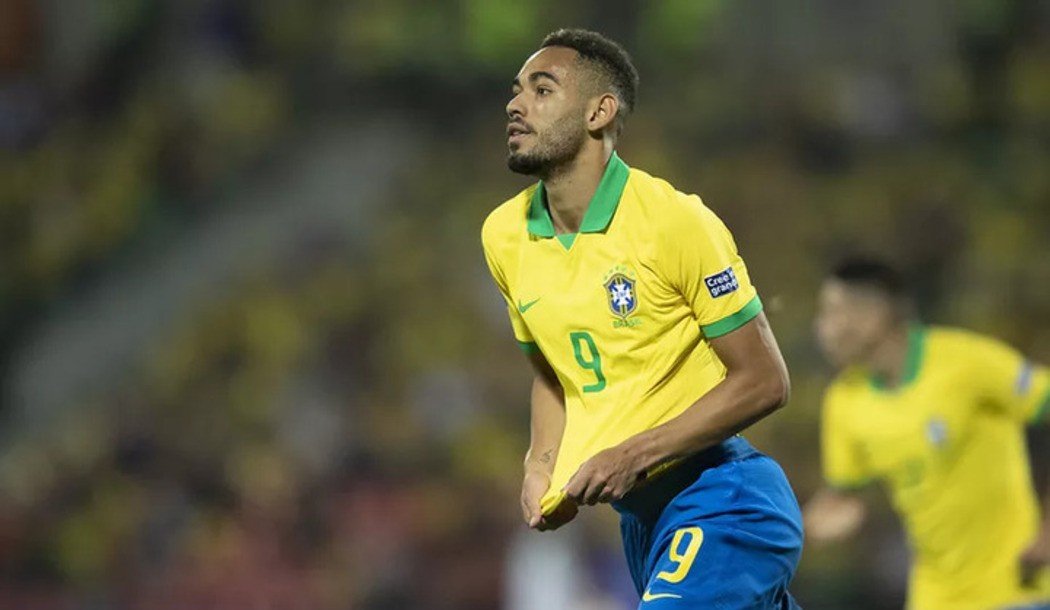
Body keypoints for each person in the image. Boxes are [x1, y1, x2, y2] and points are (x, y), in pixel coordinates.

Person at [481, 28, 803, 608]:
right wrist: (541, 466)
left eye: (542, 89)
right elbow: (553, 374)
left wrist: (632, 454)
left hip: (724, 496)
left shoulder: (673, 222)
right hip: (645, 526)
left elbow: (765, 380)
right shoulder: (503, 235)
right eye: (516, 90)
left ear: (598, 112)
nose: (515, 103)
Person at [805, 257, 1050, 610]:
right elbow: (846, 499)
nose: (821, 328)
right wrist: (786, 534)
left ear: (872, 315)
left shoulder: (967, 362)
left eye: (831, 312)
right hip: (934, 597)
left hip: (1014, 588)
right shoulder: (843, 400)